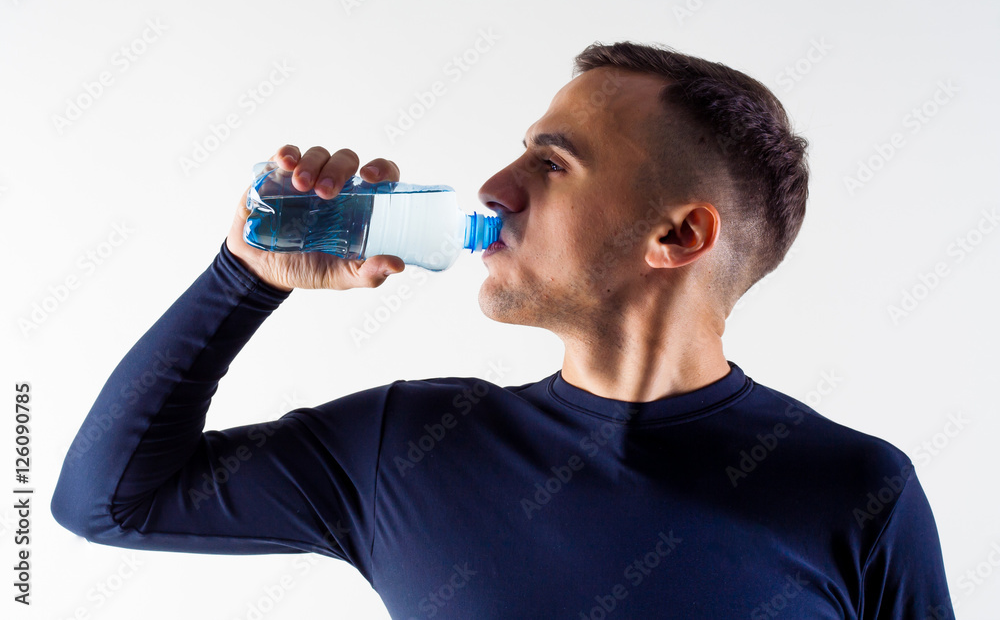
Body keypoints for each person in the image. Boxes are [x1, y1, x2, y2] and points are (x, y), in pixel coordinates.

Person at [52, 41, 954, 618]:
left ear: (679, 235)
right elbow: (108, 500)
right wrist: (242, 276)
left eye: (552, 163)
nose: (494, 186)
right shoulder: (407, 446)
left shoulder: (857, 492)